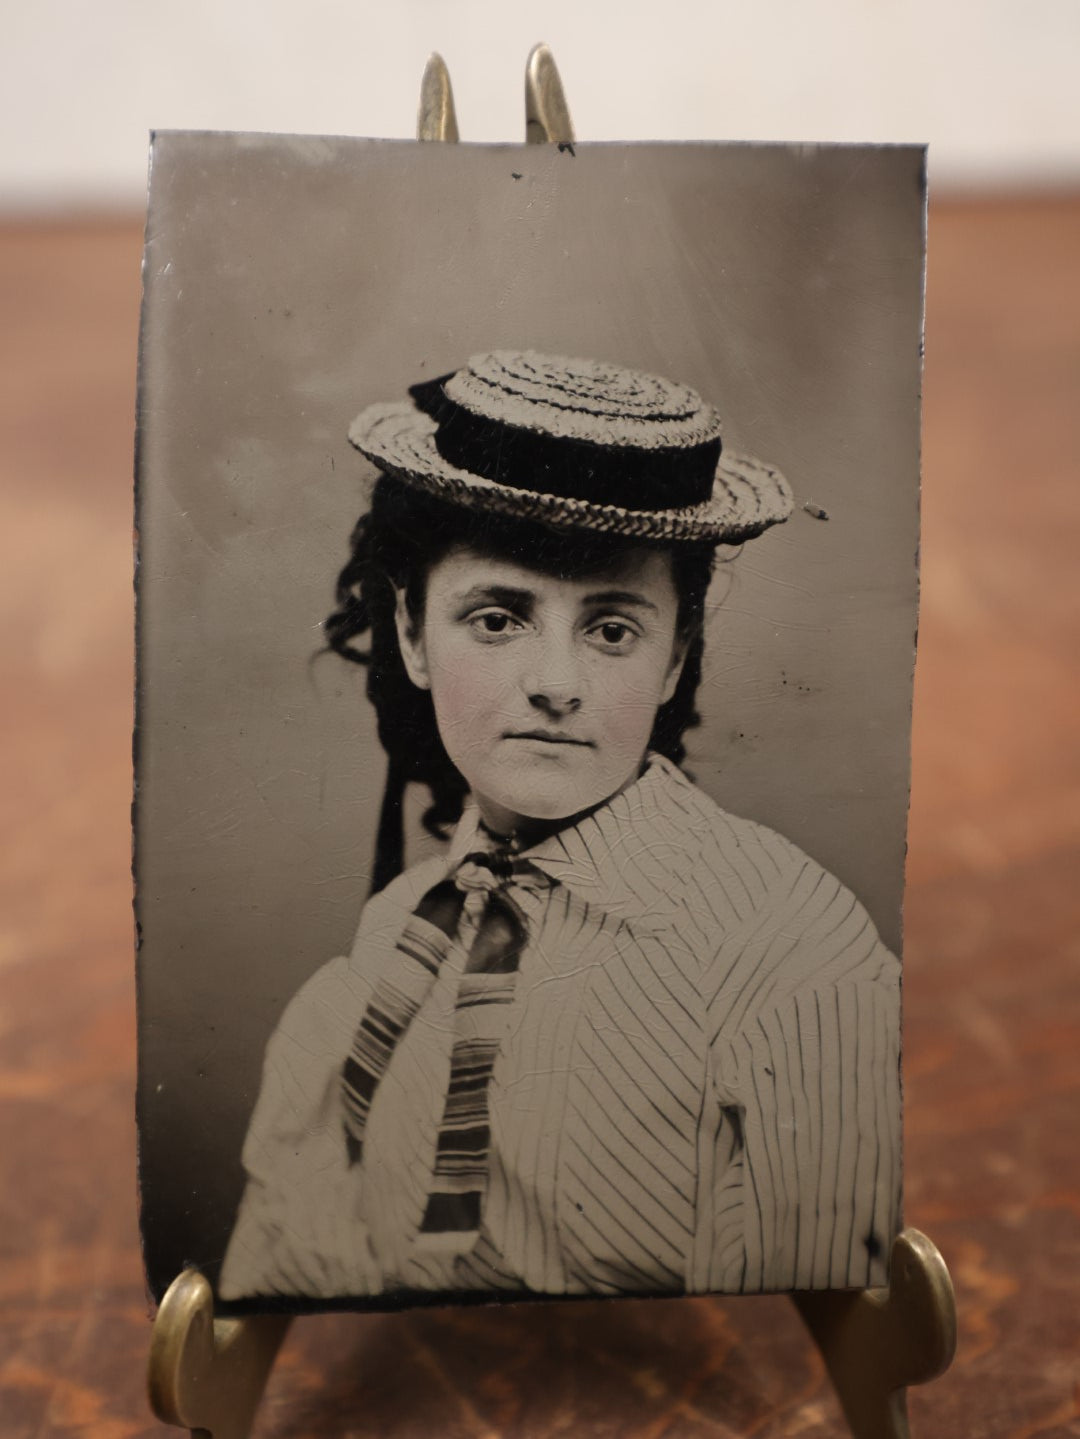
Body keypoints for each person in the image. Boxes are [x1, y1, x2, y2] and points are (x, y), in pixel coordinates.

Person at [219, 351, 901, 1303]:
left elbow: (813, 1317)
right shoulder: (400, 932)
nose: (557, 681)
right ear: (413, 634)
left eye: (612, 629)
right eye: (498, 619)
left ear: (674, 661)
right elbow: (304, 1253)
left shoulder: (786, 946)